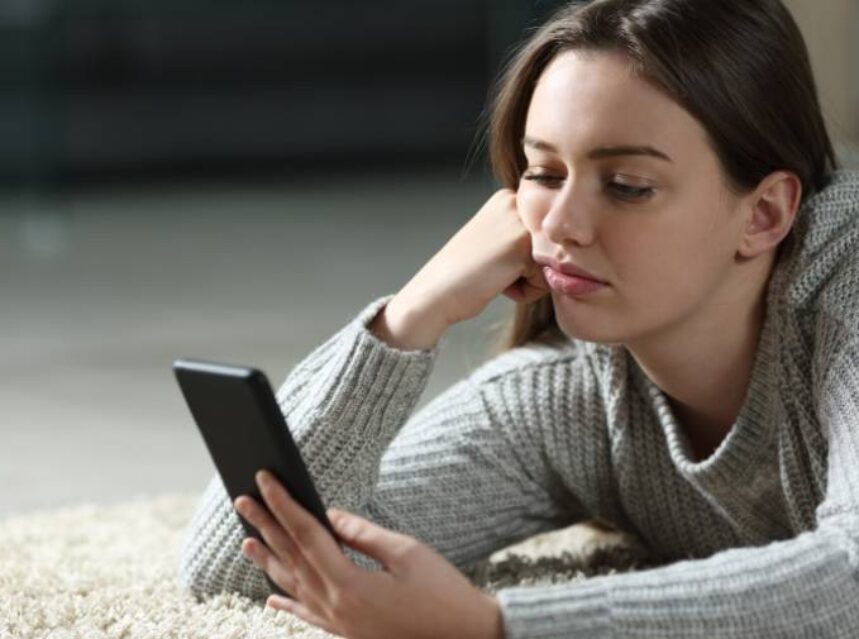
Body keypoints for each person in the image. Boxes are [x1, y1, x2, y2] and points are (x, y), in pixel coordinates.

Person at [178, 0, 859, 636]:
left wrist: (493, 624)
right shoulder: (571, 401)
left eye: (626, 186)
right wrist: (409, 315)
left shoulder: (846, 303)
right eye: (542, 173)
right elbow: (237, 566)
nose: (559, 226)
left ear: (763, 213)